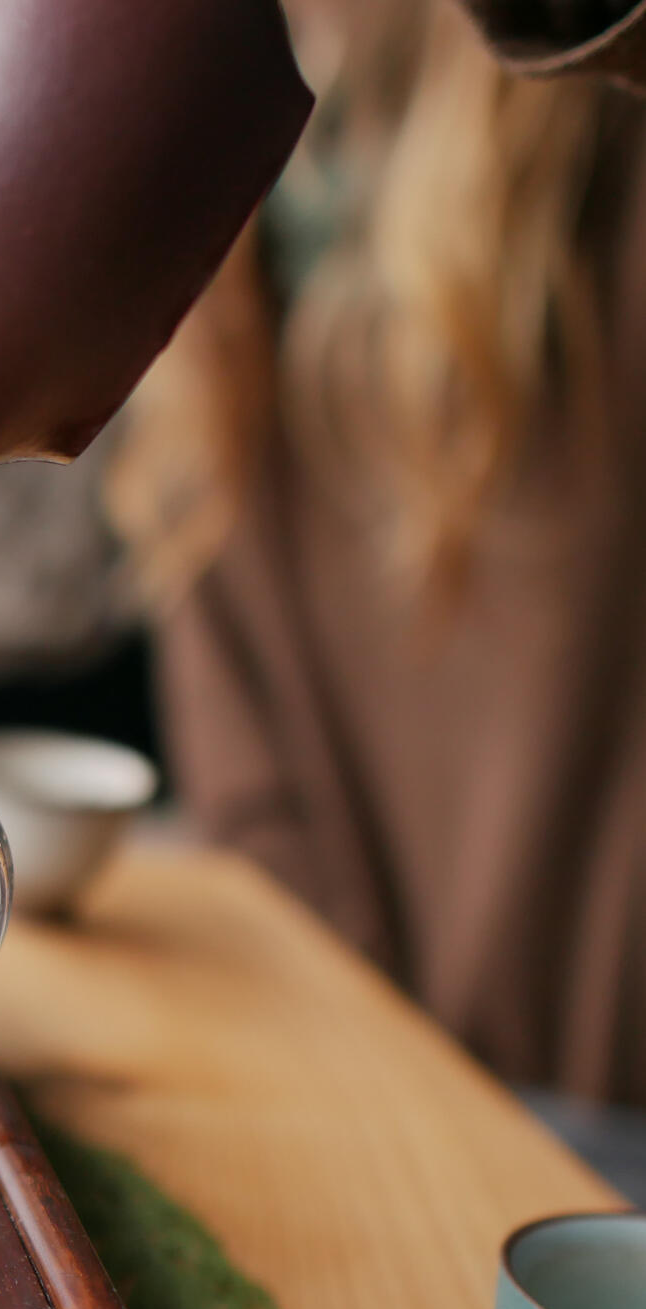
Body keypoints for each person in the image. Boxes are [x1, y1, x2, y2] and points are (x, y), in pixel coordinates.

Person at [107, 0, 646, 1100]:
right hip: (349, 1090)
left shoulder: (606, 135)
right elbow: (236, 734)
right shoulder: (223, 178)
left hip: (602, 1151)